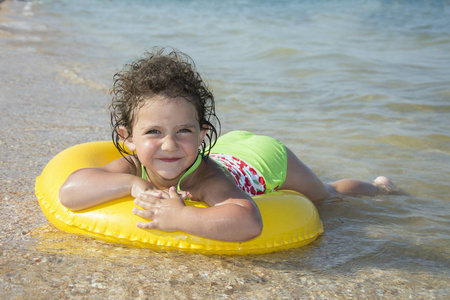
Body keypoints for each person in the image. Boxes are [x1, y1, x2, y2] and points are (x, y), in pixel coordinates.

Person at [59, 47, 402, 242]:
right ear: (128, 139)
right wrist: (133, 184)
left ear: (202, 132)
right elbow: (70, 191)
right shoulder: (133, 166)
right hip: (231, 147)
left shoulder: (207, 180)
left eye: (184, 131)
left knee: (327, 195)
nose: (169, 145)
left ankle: (379, 188)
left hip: (265, 159)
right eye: (153, 132)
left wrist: (180, 217)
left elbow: (248, 222)